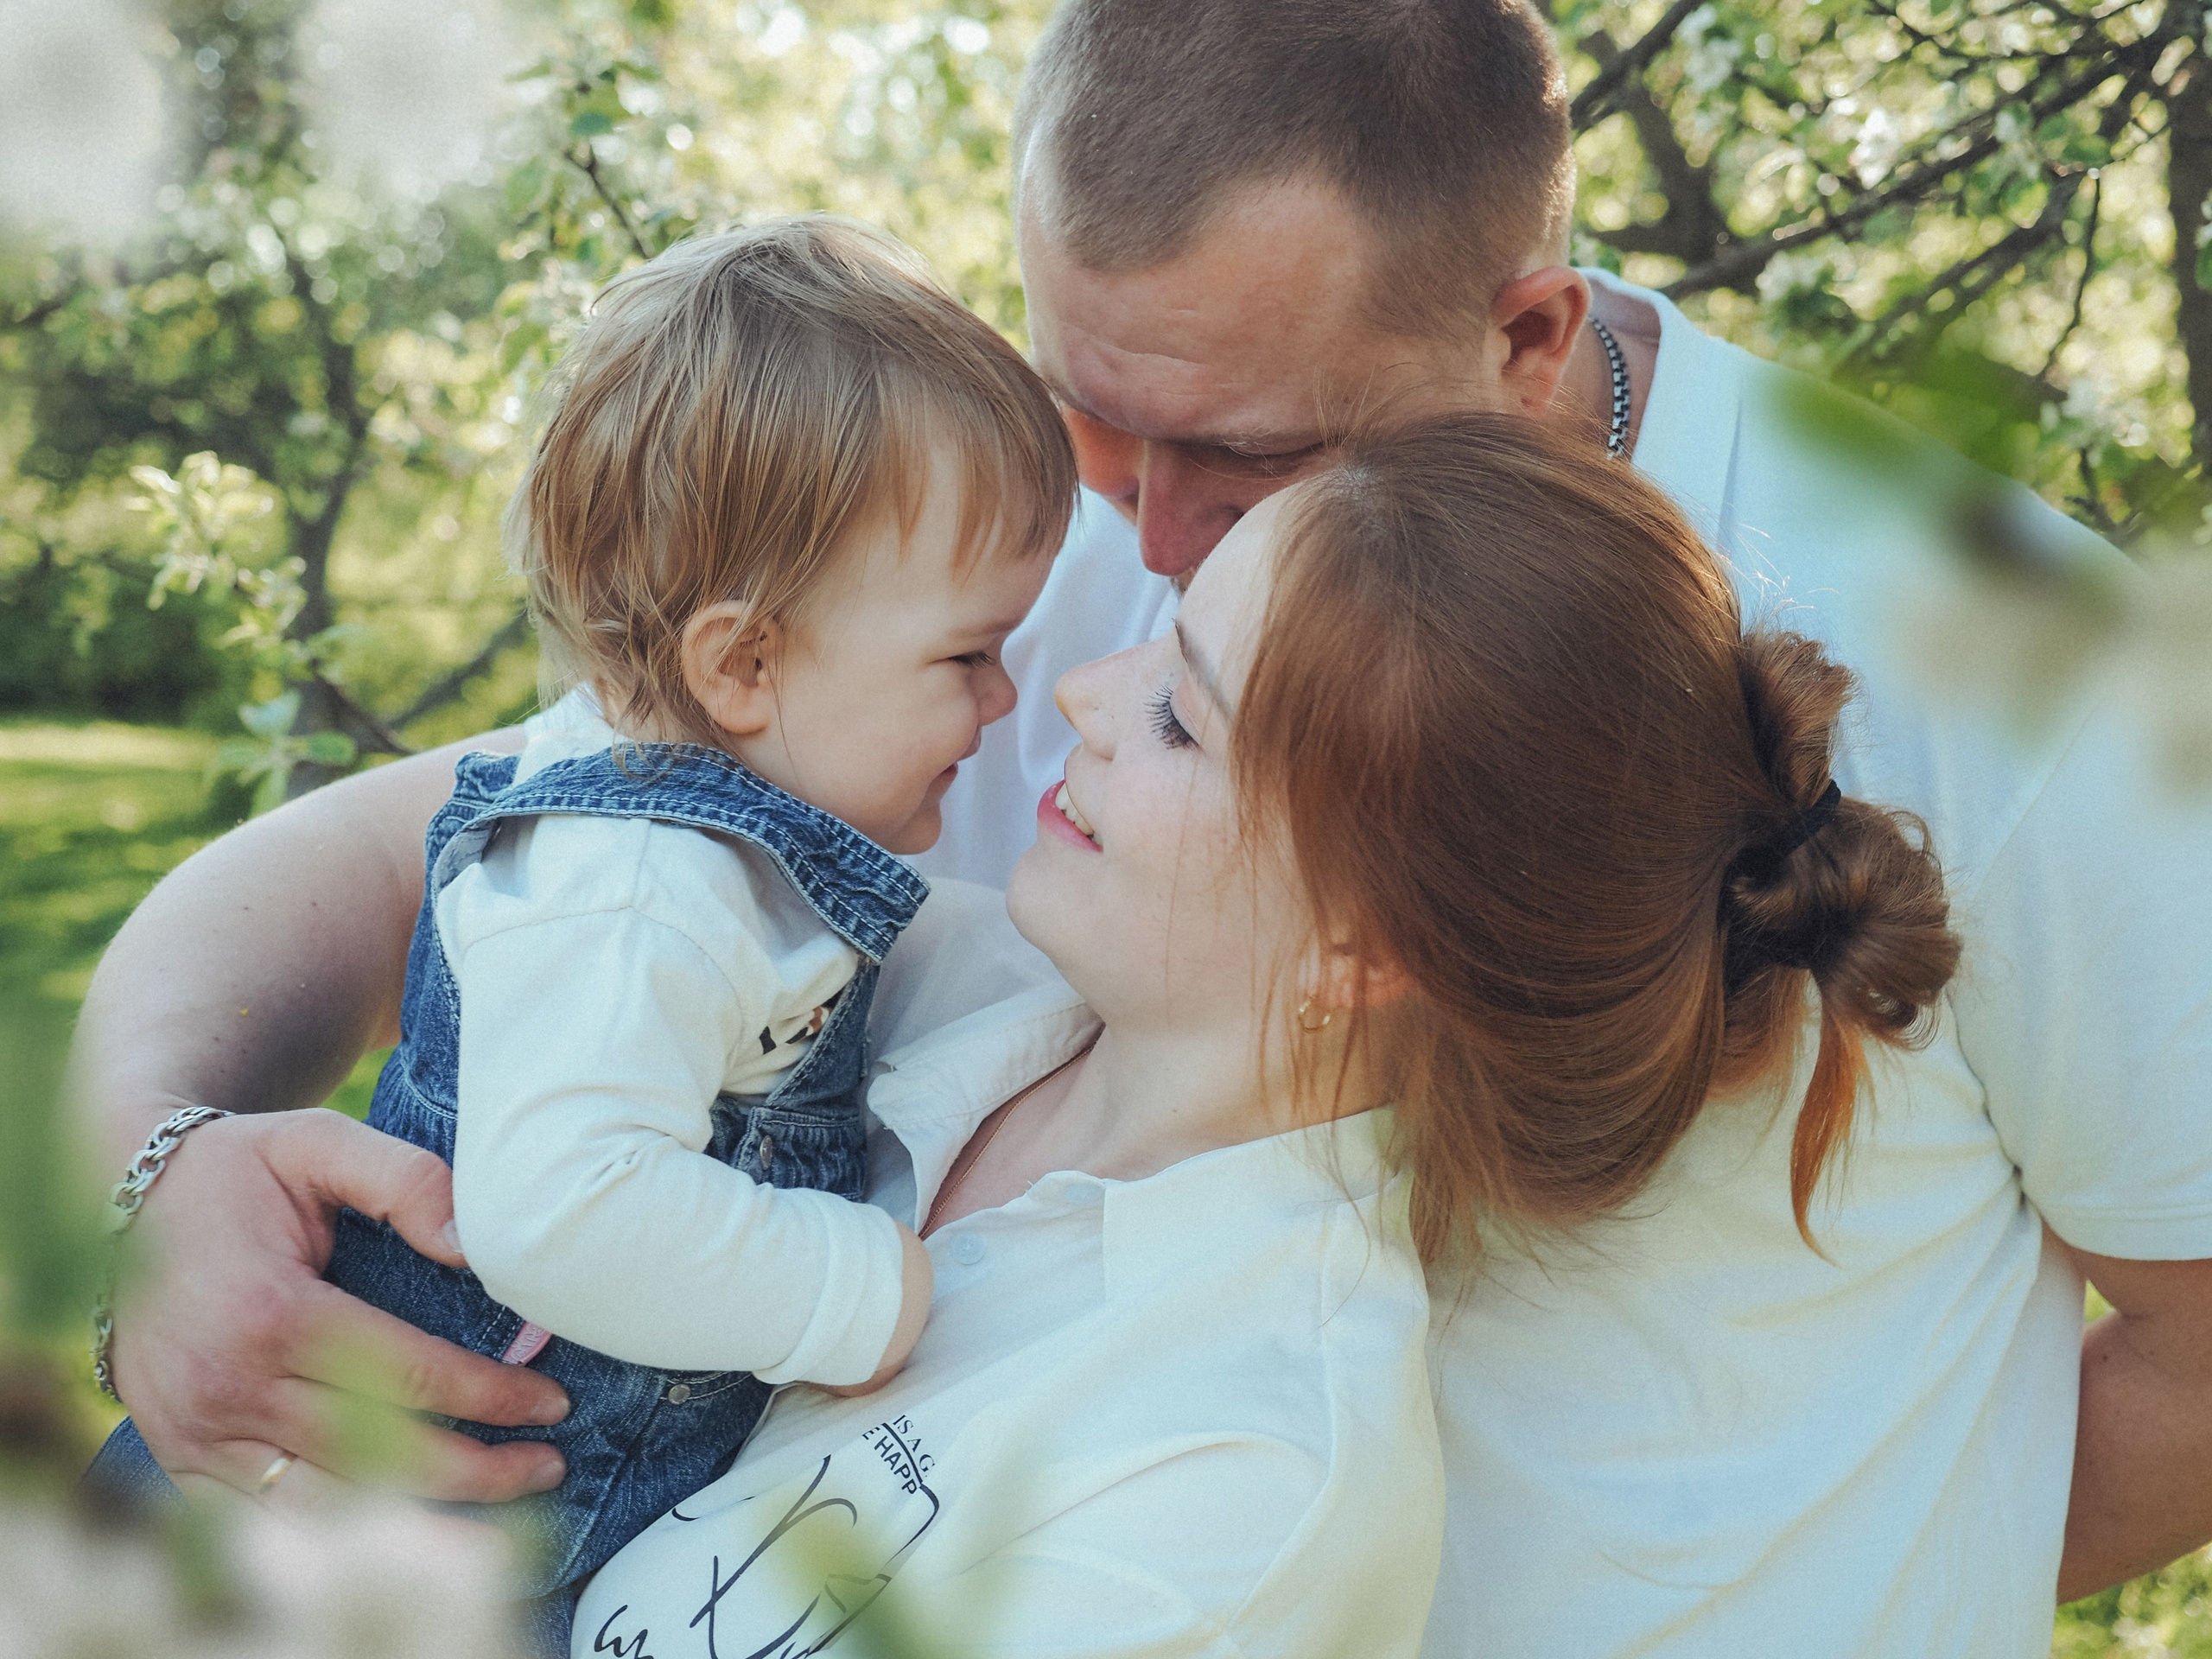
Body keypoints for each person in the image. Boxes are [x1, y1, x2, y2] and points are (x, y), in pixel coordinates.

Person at [69, 2, 2212, 1655]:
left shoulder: (2016, 671)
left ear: (1527, 332)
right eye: (1086, 410)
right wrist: (167, 1174)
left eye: (1238, 453)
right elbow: (462, 845)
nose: (1140, 547)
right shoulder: (1030, 548)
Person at [563, 415, 1948, 1655]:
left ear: (1368, 945)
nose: (1083, 694)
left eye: (1179, 715)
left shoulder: (1234, 1488)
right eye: (1163, 631)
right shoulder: (896, 963)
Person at [89, 216, 1076, 1646]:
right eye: (966, 657)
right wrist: (858, 1288)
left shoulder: (699, 830)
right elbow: (563, 1210)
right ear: (741, 663)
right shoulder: (639, 892)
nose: (1003, 704)